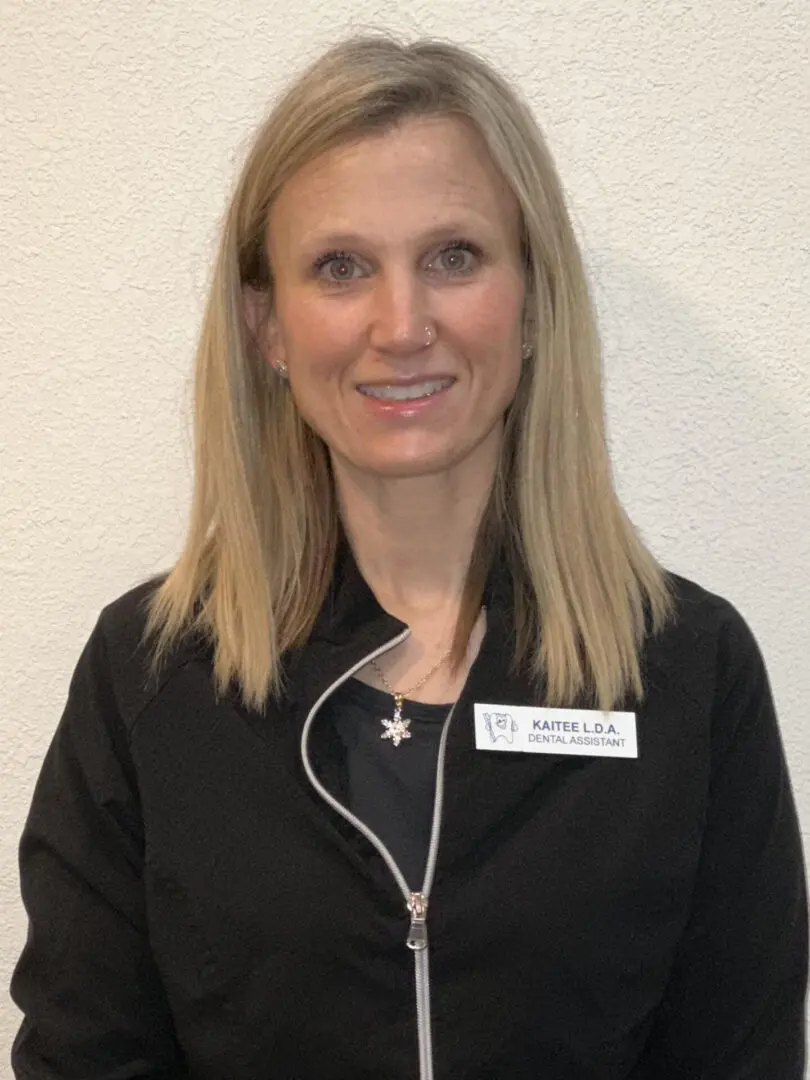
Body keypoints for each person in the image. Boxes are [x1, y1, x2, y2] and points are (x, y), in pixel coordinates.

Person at [10, 33, 807, 1080]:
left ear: (533, 302)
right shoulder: (149, 675)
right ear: (268, 327)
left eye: (454, 257)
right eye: (340, 267)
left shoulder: (688, 671)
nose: (402, 323)